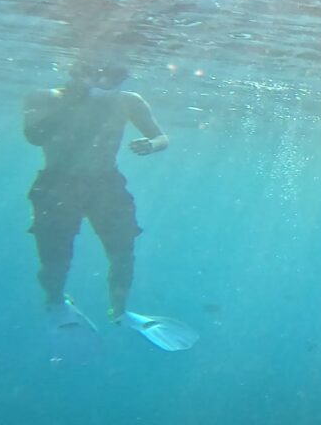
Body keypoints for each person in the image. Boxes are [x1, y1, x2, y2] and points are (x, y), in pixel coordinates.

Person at [22, 59, 196, 351]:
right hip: (56, 183)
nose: (110, 83)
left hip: (106, 183)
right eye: (106, 75)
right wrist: (71, 102)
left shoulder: (127, 101)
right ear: (77, 71)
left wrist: (151, 145)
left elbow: (161, 136)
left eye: (119, 76)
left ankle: (120, 310)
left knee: (122, 251)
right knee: (55, 257)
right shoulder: (45, 97)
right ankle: (55, 301)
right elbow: (33, 136)